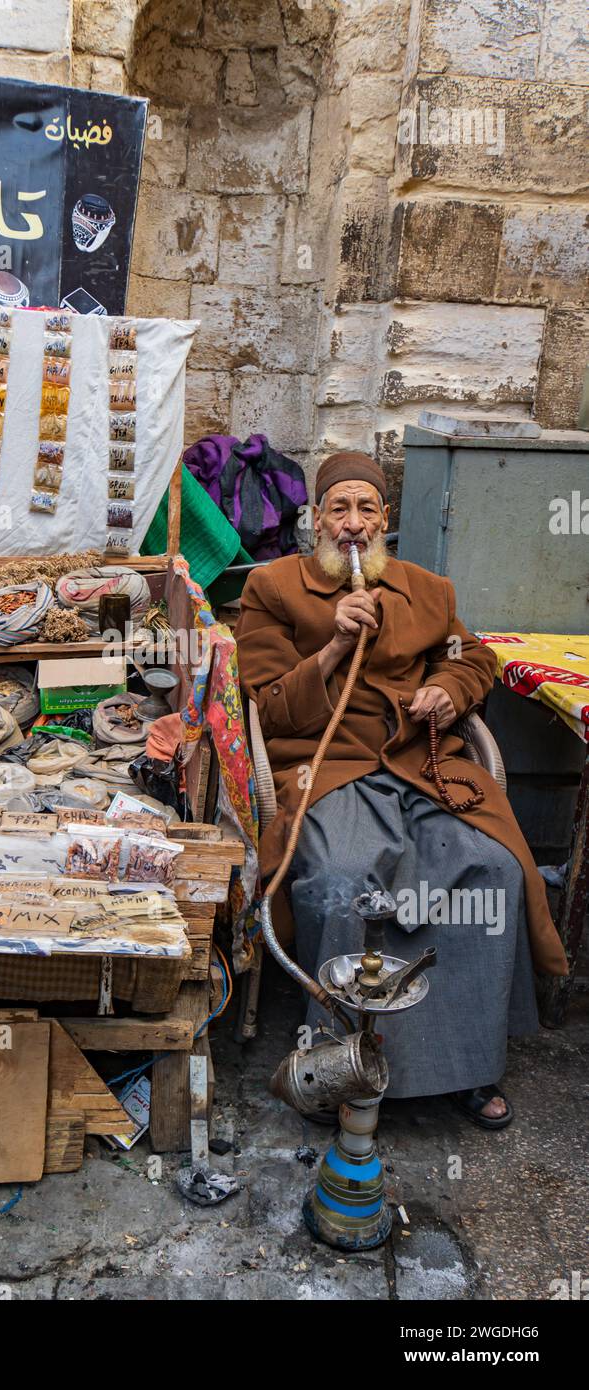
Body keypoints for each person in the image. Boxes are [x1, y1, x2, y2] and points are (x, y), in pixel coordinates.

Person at [235, 450, 568, 1129]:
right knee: (343, 879)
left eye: (365, 509)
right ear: (314, 522)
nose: (352, 525)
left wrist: (447, 690)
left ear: (383, 520)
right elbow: (264, 710)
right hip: (329, 768)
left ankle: (466, 1065)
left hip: (422, 765)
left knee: (491, 870)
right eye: (338, 509)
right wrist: (330, 648)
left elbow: (472, 656)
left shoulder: (426, 589)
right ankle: (337, 1065)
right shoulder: (273, 588)